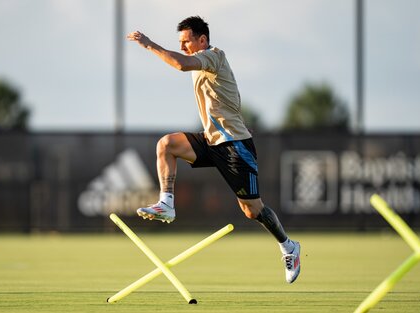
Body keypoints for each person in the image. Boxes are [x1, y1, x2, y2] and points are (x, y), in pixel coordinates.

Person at [127, 16, 300, 284]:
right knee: (167, 144)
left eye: (186, 41)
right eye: (180, 42)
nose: (183, 47)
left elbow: (181, 64)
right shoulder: (202, 62)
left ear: (202, 40)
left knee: (252, 210)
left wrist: (148, 44)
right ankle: (167, 204)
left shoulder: (213, 56)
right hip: (211, 140)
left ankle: (288, 246)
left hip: (235, 146)